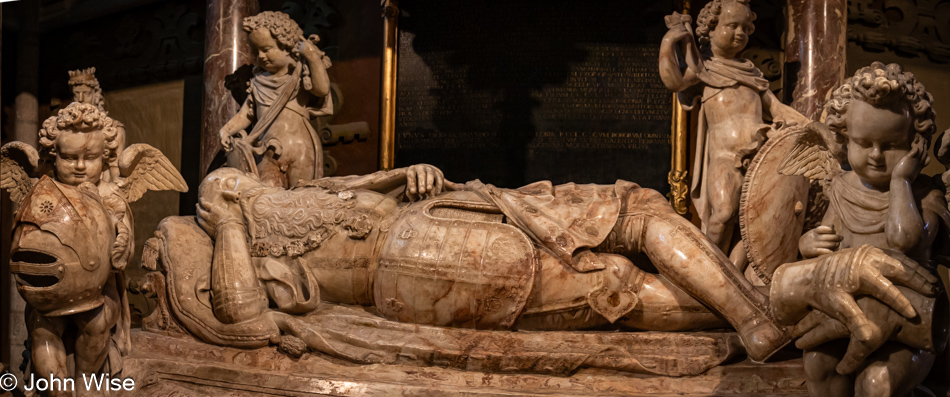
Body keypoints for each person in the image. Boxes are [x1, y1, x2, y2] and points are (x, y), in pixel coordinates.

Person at [191, 164, 937, 366]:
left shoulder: (298, 202)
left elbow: (351, 190)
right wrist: (226, 223)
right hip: (426, 262)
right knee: (616, 286)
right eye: (233, 187)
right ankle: (775, 304)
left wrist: (403, 174)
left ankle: (764, 313)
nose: (247, 185)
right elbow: (245, 315)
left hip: (464, 211)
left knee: (634, 208)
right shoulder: (241, 235)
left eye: (244, 183)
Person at [797, 62, 948, 396]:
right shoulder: (839, 189)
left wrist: (900, 182)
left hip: (909, 326)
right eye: (864, 143)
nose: (877, 156)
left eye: (892, 145)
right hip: (850, 317)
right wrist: (809, 245)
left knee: (877, 383)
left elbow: (903, 238)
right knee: (818, 364)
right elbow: (827, 249)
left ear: (916, 144)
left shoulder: (925, 196)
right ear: (844, 138)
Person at [658, 0, 809, 267]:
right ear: (711, 29)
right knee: (724, 213)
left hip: (760, 155)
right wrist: (671, 39)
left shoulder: (752, 73)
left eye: (746, 28)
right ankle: (708, 272)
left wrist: (811, 128)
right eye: (732, 26)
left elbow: (777, 109)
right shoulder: (703, 70)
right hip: (725, 156)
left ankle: (734, 276)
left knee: (755, 222)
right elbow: (673, 80)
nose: (740, 33)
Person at [218, 11, 332, 188]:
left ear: (287, 47)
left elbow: (322, 89)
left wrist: (312, 57)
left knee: (303, 200)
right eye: (256, 52)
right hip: (266, 150)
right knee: (266, 200)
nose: (261, 56)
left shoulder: (300, 75)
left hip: (300, 148)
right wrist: (226, 130)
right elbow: (245, 114)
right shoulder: (257, 82)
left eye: (266, 49)